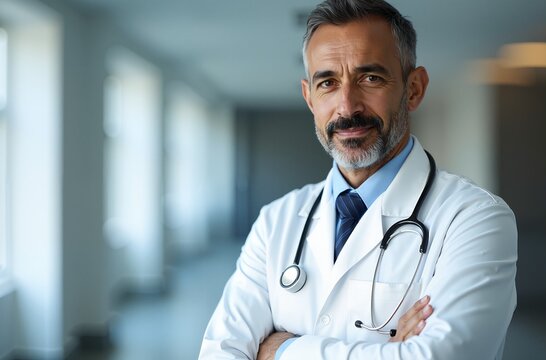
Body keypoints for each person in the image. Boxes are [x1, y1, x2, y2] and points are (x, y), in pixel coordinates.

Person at [199, 0, 517, 358]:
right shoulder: (276, 222)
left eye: (370, 78)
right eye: (328, 83)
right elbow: (219, 351)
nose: (347, 106)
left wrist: (282, 349)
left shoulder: (475, 218)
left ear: (413, 89)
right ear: (309, 97)